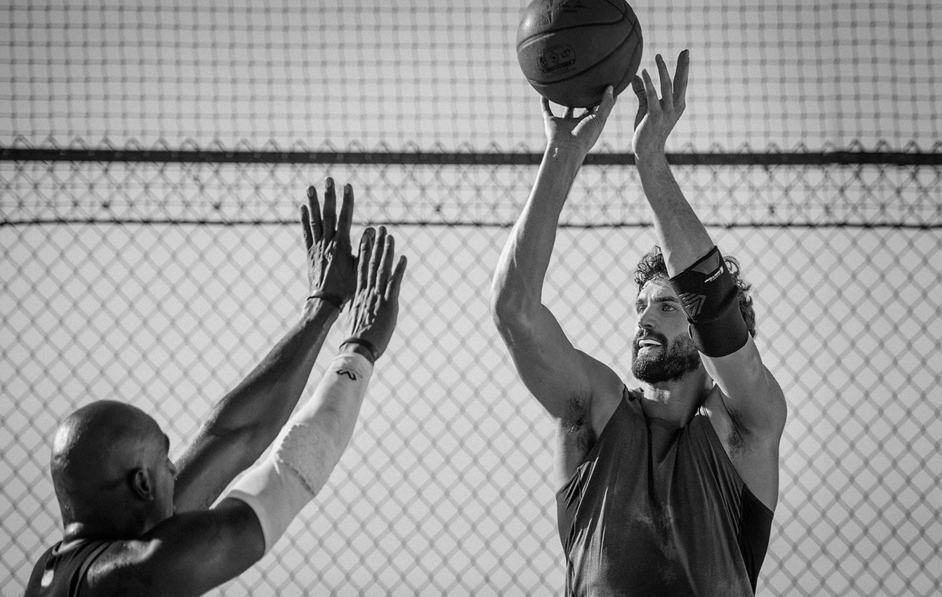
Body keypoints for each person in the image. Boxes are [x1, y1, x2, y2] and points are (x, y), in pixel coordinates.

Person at [490, 51, 787, 595]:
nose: (645, 318)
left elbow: (715, 311)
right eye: (642, 306)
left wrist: (650, 160)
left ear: (703, 335)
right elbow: (515, 309)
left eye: (668, 306)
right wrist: (561, 154)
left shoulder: (746, 423)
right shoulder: (597, 410)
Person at [24, 179, 407, 597]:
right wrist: (359, 351)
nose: (176, 469)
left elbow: (230, 436)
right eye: (165, 460)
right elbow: (292, 472)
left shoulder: (56, 569)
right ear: (142, 485)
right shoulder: (137, 573)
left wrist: (323, 306)